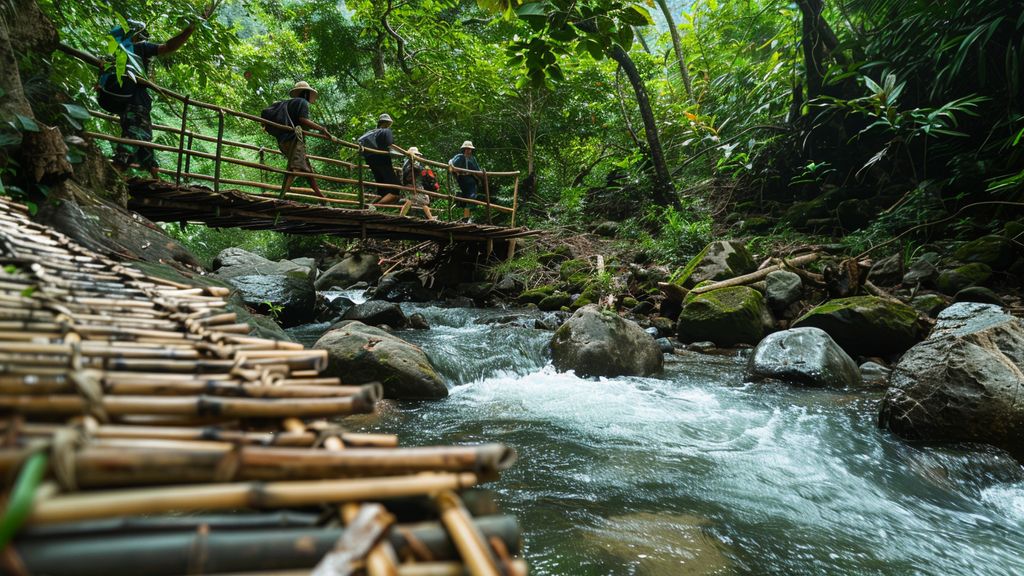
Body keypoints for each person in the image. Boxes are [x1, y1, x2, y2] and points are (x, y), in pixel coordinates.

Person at [111, 4, 216, 178]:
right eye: (141, 34)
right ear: (135, 35)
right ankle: (114, 174)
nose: (144, 37)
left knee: (144, 140)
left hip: (127, 105)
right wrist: (192, 27)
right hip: (137, 104)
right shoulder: (139, 49)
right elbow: (169, 47)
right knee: (134, 137)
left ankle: (156, 179)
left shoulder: (117, 54)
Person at [273, 81, 332, 197]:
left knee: (307, 170)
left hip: (283, 140)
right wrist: (322, 129)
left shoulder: (288, 103)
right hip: (293, 140)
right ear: (307, 93)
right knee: (295, 168)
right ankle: (281, 196)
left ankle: (321, 197)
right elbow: (303, 120)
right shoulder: (302, 102)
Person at [357, 114, 401, 207]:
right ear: (387, 123)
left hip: (370, 160)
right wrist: (406, 153)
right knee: (395, 189)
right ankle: (374, 206)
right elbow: (390, 145)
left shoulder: (371, 133)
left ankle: (370, 206)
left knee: (382, 189)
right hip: (383, 160)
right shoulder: (386, 131)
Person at [448, 140, 482, 222]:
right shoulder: (459, 157)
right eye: (466, 149)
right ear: (464, 149)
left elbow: (478, 170)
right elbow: (451, 164)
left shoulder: (473, 159)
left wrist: (480, 176)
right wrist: (455, 170)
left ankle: (466, 218)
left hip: (470, 180)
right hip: (462, 180)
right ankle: (466, 217)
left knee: (472, 198)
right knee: (467, 198)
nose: (468, 150)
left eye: (469, 149)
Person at [400, 147, 436, 220]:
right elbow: (417, 171)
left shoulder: (407, 162)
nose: (418, 156)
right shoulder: (411, 163)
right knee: (424, 201)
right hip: (413, 184)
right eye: (416, 154)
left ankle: (401, 215)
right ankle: (431, 218)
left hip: (411, 184)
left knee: (410, 200)